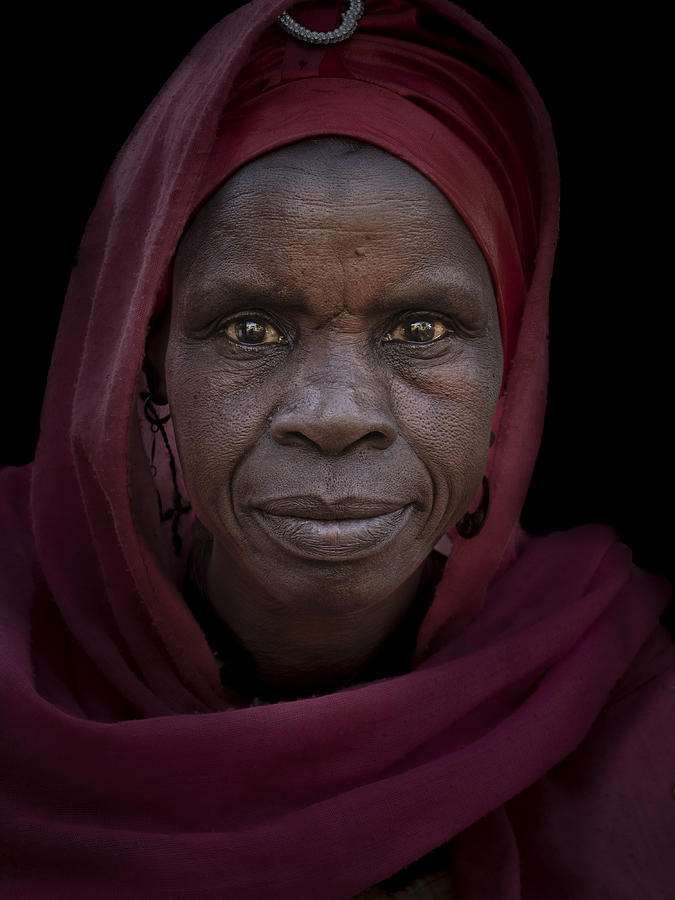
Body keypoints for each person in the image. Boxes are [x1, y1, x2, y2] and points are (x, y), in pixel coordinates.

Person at [1, 1, 672, 897]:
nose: (333, 412)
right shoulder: (12, 627)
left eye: (422, 327)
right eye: (249, 328)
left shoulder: (611, 692)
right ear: (148, 363)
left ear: (511, 376)